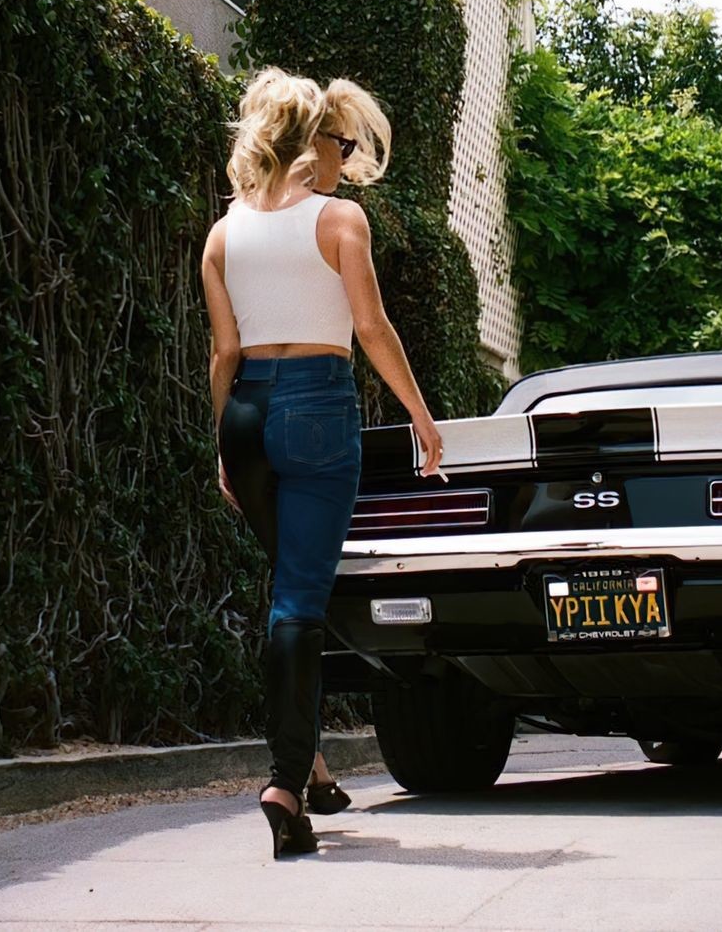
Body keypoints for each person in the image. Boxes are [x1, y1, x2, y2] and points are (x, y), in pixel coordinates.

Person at [200, 66, 445, 859]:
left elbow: (224, 354)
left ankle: (311, 764)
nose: (345, 155)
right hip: (317, 409)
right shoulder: (341, 219)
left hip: (246, 414)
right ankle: (285, 783)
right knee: (300, 601)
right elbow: (371, 328)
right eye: (339, 141)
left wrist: (224, 443)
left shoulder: (222, 233)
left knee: (287, 588)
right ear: (312, 144)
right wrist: (420, 414)